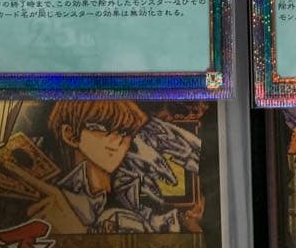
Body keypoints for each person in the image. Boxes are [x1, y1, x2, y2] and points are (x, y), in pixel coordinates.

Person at [20, 100, 201, 234]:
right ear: (71, 135)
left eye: (124, 132)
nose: (118, 141)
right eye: (103, 128)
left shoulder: (131, 195)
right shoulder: (56, 198)